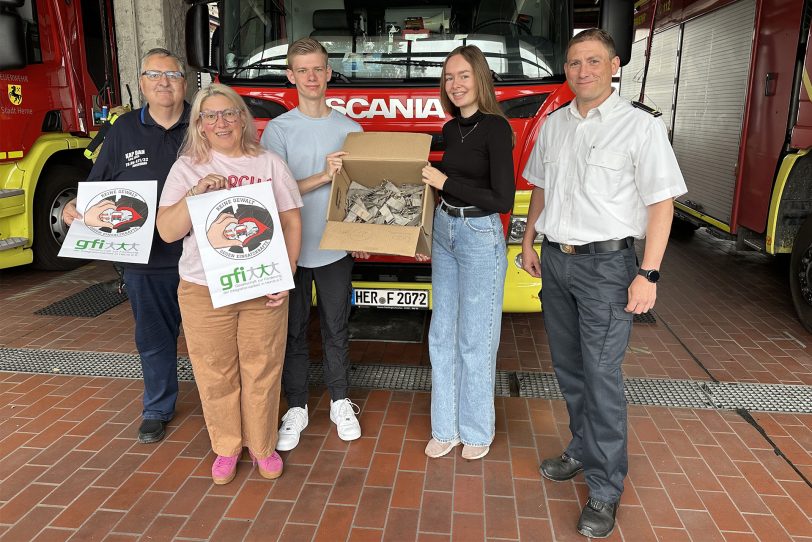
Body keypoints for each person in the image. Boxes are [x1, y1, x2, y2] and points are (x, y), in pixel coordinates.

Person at [520, 29, 687, 538]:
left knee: (602, 377)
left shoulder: (640, 129)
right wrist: (529, 242)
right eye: (574, 63)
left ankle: (606, 487)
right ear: (565, 70)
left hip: (609, 270)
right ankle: (580, 447)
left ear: (614, 65)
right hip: (557, 261)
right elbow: (542, 189)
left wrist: (649, 273)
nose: (583, 71)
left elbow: (662, 203)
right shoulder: (553, 126)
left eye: (593, 61)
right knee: (569, 370)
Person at [156, 83, 302, 484]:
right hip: (203, 289)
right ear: (199, 125)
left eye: (229, 113)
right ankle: (226, 447)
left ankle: (262, 446)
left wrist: (286, 273)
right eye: (210, 116)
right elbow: (167, 232)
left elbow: (290, 220)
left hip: (261, 285)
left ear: (243, 119)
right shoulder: (187, 168)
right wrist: (195, 194)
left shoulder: (269, 163)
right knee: (215, 370)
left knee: (263, 368)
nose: (221, 122)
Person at [62, 48, 189, 444]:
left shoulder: (205, 125)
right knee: (153, 338)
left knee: (218, 338)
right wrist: (73, 207)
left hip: (203, 257)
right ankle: (157, 407)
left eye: (172, 74)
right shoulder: (122, 131)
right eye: (154, 75)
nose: (164, 82)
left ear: (185, 82)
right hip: (145, 258)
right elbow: (98, 189)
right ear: (143, 84)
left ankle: (228, 404)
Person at [260, 38, 364, 451]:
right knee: (293, 330)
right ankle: (297, 406)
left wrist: (366, 230)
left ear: (328, 73)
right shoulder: (279, 130)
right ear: (291, 76)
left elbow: (362, 193)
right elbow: (273, 194)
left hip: (336, 247)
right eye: (302, 70)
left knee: (338, 328)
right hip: (290, 248)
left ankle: (340, 401)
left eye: (318, 69)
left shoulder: (350, 128)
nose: (311, 77)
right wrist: (323, 176)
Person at [420, 45, 515, 461]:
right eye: (448, 77)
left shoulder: (496, 128)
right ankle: (446, 427)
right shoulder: (450, 129)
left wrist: (445, 182)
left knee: (476, 338)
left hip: (479, 233)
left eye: (462, 76)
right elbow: (441, 187)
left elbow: (502, 198)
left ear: (479, 77)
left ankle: (476, 431)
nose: (454, 84)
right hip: (444, 228)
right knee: (442, 334)